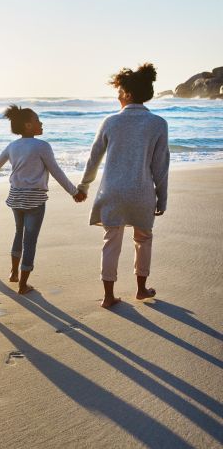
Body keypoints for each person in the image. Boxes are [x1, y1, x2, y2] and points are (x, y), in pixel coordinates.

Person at [77, 63, 169, 308]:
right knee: (144, 238)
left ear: (127, 93)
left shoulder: (110, 122)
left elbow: (93, 158)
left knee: (111, 241)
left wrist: (84, 186)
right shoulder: (158, 123)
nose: (117, 95)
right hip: (142, 192)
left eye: (119, 91)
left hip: (113, 192)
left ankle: (108, 296)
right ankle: (141, 289)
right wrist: (163, 197)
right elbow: (160, 166)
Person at [0, 105, 85, 294]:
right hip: (34, 198)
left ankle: (13, 273)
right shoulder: (42, 146)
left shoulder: (12, 146)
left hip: (16, 196)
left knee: (19, 233)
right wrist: (74, 192)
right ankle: (23, 284)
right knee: (30, 241)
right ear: (27, 126)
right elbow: (56, 171)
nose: (40, 123)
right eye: (37, 120)